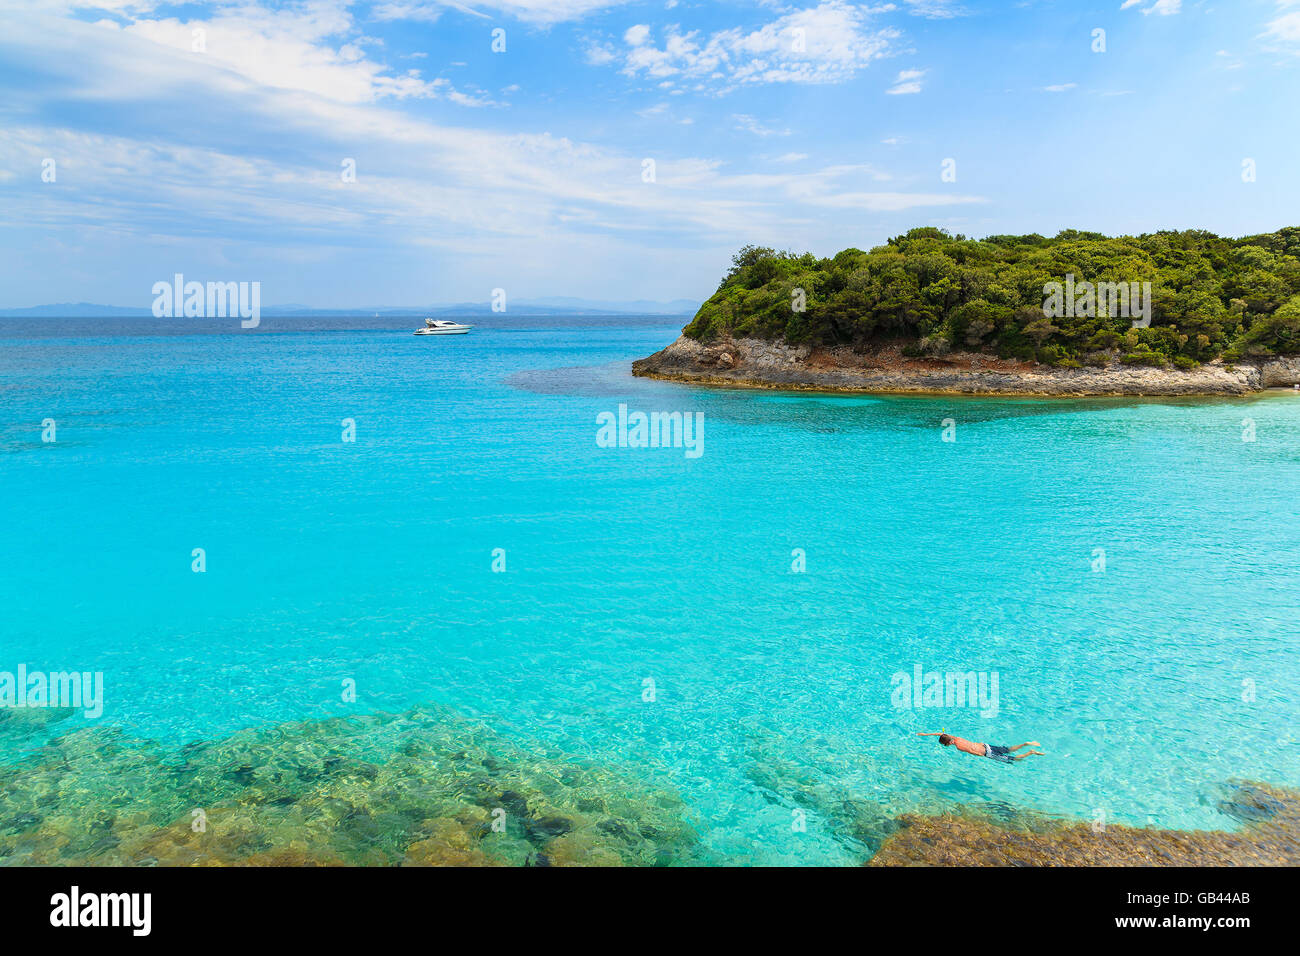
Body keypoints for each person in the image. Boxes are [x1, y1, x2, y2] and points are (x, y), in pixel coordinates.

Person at [917, 731, 1044, 763]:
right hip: (985, 744)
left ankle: (1030, 752)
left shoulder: (958, 746)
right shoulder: (956, 738)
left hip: (986, 752)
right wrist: (926, 734)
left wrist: (982, 755)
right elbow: (941, 733)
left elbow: (972, 751)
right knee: (1009, 749)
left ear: (948, 743)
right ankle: (1026, 744)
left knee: (1013, 759)